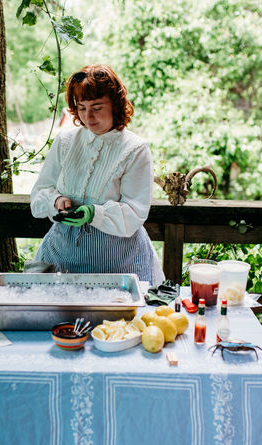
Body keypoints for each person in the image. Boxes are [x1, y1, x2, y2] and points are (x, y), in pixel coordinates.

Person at [30, 64, 164, 284]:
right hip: (62, 258)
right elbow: (39, 194)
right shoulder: (65, 142)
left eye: (97, 107)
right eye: (81, 108)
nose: (88, 117)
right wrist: (57, 200)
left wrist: (94, 213)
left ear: (116, 104)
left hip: (120, 263)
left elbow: (135, 212)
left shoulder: (135, 149)